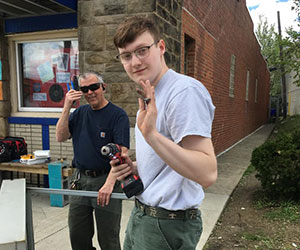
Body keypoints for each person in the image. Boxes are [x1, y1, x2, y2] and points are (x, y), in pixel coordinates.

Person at [110, 16, 218, 250]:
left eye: (142, 50)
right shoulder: (151, 94)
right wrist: (136, 167)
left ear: (160, 47)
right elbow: (167, 164)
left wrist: (152, 137)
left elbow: (207, 173)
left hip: (166, 226)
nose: (135, 61)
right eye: (126, 56)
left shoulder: (183, 92)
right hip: (144, 215)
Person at [56, 71, 130, 250]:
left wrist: (109, 184)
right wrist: (67, 106)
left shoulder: (117, 115)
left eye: (94, 87)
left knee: (108, 237)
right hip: (80, 179)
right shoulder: (80, 112)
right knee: (77, 234)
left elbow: (122, 152)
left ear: (103, 87)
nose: (90, 92)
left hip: (106, 179)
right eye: (85, 89)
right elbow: (60, 136)